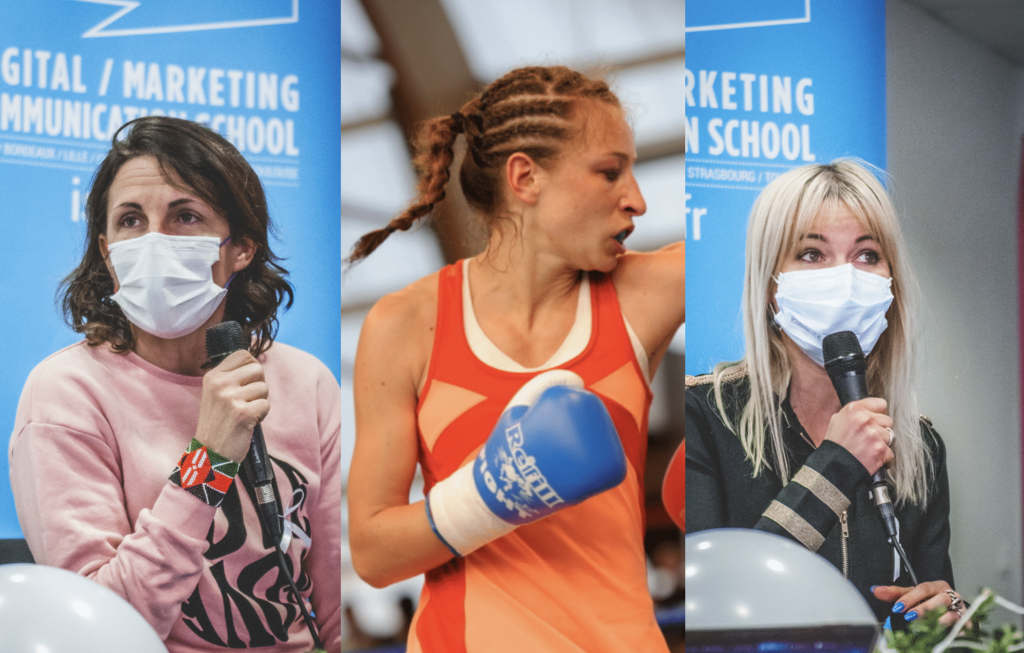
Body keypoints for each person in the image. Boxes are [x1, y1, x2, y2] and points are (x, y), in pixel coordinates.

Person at [346, 65, 684, 651]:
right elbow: (372, 553)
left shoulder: (650, 292)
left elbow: (790, 249)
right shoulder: (405, 325)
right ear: (525, 177)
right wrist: (491, 492)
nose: (637, 200)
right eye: (610, 172)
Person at [9, 116, 342, 652]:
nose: (154, 241)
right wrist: (208, 459)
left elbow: (331, 605)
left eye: (185, 216)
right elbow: (92, 632)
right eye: (131, 221)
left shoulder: (307, 383)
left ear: (241, 248)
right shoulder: (66, 393)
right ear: (107, 251)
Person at [685, 160, 963, 626]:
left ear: (891, 282)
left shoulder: (921, 446)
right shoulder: (703, 417)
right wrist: (837, 464)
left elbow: (926, 603)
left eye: (867, 255)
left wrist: (949, 614)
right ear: (771, 284)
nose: (845, 278)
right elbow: (711, 604)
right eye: (812, 254)